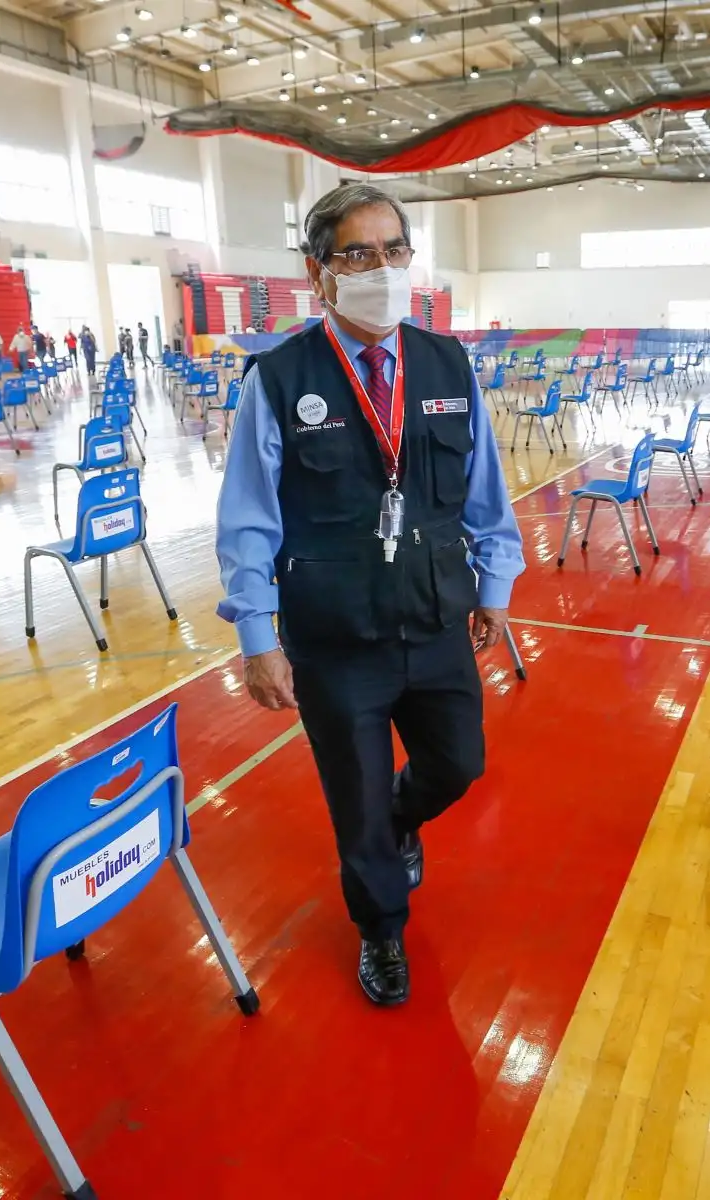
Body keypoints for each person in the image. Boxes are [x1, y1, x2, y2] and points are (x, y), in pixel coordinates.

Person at [215, 182, 524, 1006]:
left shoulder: (447, 363)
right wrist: (256, 634)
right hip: (334, 635)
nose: (380, 269)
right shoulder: (279, 379)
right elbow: (247, 517)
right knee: (353, 802)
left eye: (394, 251)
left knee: (459, 763)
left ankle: (402, 816)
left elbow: (486, 490)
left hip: (433, 618)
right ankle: (382, 930)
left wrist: (495, 583)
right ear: (319, 274)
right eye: (357, 254)